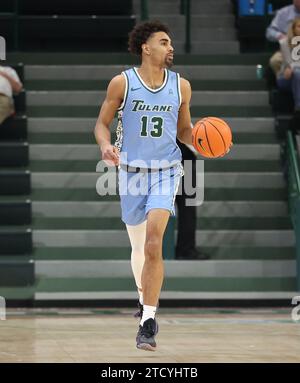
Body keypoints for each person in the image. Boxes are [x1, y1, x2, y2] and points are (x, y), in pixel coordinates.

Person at [94, 20, 195, 351]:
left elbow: (184, 132)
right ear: (145, 47)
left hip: (166, 170)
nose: (171, 47)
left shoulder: (181, 86)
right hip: (131, 172)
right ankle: (143, 297)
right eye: (164, 42)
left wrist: (207, 142)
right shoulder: (122, 83)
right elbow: (101, 124)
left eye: (171, 42)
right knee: (138, 247)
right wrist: (105, 146)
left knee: (154, 244)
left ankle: (148, 322)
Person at [175, 139, 209, 260]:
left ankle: (186, 249)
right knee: (187, 209)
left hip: (182, 160)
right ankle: (185, 250)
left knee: (188, 209)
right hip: (173, 160)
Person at [266, 0, 300, 76]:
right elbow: (270, 32)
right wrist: (280, 36)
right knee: (275, 61)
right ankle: (284, 82)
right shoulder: (283, 13)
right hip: (287, 49)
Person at [277, 17, 300, 110]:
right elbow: (289, 63)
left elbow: (293, 66)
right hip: (285, 78)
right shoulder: (284, 43)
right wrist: (294, 67)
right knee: (297, 73)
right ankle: (298, 107)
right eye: (299, 26)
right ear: (293, 28)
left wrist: (294, 66)